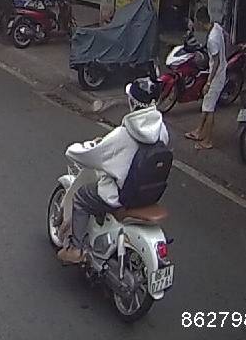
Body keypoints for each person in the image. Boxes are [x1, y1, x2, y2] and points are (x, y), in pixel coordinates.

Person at [56, 77, 169, 264]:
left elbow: (92, 155)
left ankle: (75, 249)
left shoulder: (123, 135)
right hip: (148, 194)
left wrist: (75, 149)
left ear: (133, 102)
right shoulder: (161, 131)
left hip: (119, 195)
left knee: (81, 198)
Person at [186, 7, 226, 150]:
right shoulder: (217, 28)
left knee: (209, 109)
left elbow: (216, 62)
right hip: (219, 72)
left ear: (200, 22)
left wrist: (209, 83)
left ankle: (207, 141)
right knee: (206, 105)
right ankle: (199, 131)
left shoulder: (212, 40)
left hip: (216, 77)